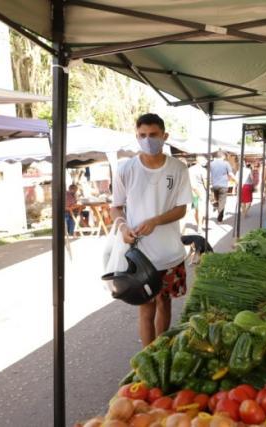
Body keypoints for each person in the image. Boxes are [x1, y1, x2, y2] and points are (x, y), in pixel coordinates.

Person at [110, 113, 192, 347]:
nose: (148, 140)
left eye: (153, 135)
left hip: (169, 253)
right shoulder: (125, 169)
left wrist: (156, 220)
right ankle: (148, 356)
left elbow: (181, 209)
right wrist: (123, 226)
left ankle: (160, 348)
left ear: (164, 136)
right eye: (142, 135)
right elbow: (115, 207)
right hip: (140, 255)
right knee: (145, 307)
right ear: (136, 136)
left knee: (164, 302)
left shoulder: (178, 168)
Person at [210, 151, 237, 223]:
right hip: (223, 185)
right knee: (222, 202)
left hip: (214, 185)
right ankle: (220, 219)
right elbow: (230, 174)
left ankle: (215, 205)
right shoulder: (226, 163)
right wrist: (237, 181)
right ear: (223, 156)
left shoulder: (211, 164)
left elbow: (208, 174)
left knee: (216, 199)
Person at [188, 155, 208, 229]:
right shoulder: (203, 170)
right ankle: (199, 226)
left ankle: (198, 224)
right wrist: (208, 190)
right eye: (205, 160)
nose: (206, 162)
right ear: (200, 161)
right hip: (201, 191)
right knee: (201, 209)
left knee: (196, 209)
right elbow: (205, 182)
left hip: (192, 192)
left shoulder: (189, 169)